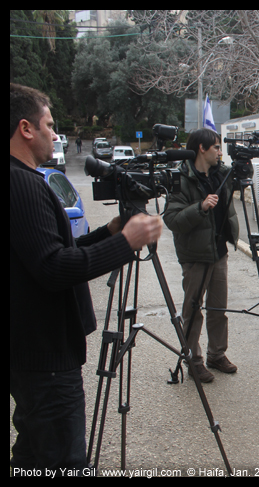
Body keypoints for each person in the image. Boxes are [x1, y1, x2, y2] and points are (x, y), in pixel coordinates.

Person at [10, 83, 163, 473]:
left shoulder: (24, 180)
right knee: (63, 459)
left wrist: (111, 231)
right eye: (49, 125)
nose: (56, 134)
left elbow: (56, 250)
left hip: (35, 355)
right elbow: (54, 268)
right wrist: (127, 243)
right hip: (46, 359)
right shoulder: (22, 184)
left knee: (32, 453)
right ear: (26, 129)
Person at [163, 128, 240, 383]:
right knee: (193, 311)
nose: (220, 152)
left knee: (219, 308)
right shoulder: (182, 178)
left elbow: (235, 186)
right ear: (202, 149)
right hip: (195, 256)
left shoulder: (220, 173)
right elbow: (172, 219)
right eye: (216, 147)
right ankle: (193, 359)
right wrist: (200, 207)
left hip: (218, 252)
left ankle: (216, 354)